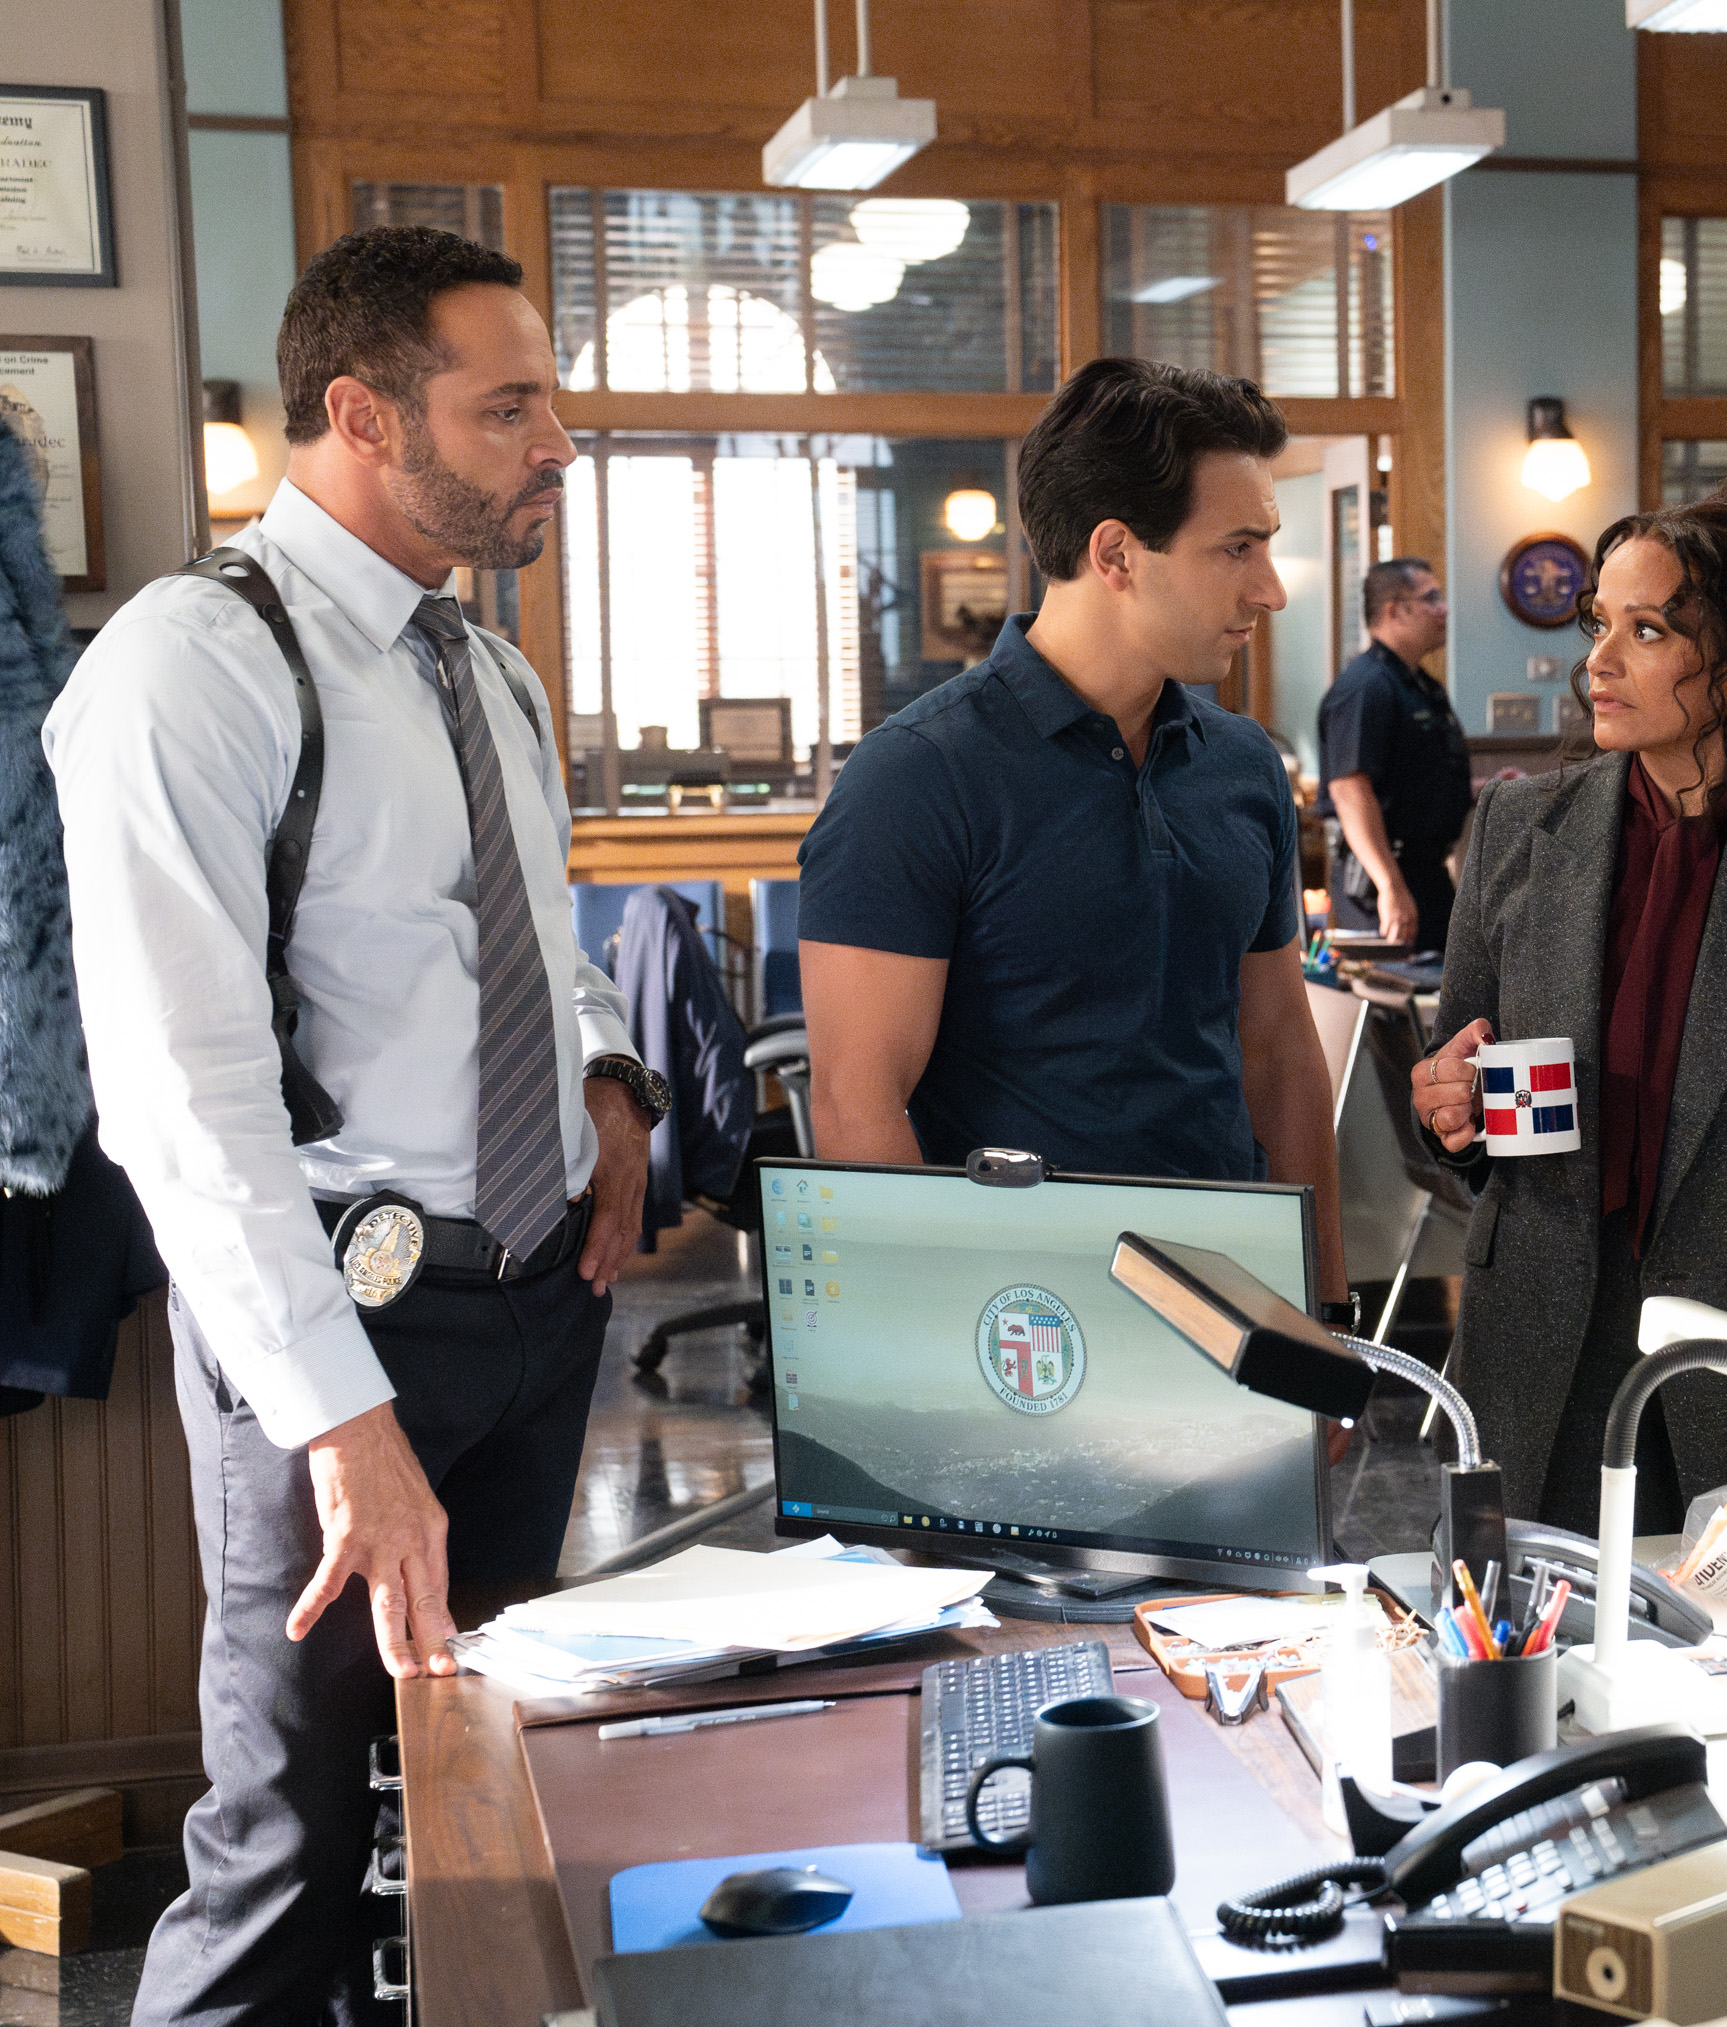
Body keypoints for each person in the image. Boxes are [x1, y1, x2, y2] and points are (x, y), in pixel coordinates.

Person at [44, 226, 661, 2023]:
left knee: (480, 1808)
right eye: (509, 407)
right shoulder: (194, 664)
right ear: (364, 414)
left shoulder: (488, 672)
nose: (558, 445)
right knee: (291, 1852)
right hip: (341, 1325)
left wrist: (609, 1079)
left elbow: (532, 941)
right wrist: (339, 1419)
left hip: (539, 1305)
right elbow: (180, 1095)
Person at [1409, 477, 1727, 1529]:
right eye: (1599, 622)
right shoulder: (1516, 827)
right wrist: (1445, 1104)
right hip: (1545, 1336)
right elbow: (1456, 1077)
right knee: (1542, 1624)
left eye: (1646, 630)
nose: (1598, 661)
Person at [799, 359, 1345, 1281]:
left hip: (1230, 1292)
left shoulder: (1244, 764)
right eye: (1237, 549)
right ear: (1116, 554)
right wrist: (935, 1336)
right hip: (1016, 1314)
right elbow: (858, 1105)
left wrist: (1324, 1302)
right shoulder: (916, 777)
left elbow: (1280, 1054)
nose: (1270, 588)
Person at [1319, 556, 1469, 953]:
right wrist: (1390, 885)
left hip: (1427, 871)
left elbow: (1415, 781)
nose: (1444, 609)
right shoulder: (1367, 686)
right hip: (1382, 878)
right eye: (1431, 598)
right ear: (1394, 612)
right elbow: (1349, 790)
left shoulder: (1421, 686)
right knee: (1394, 986)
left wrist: (1482, 788)